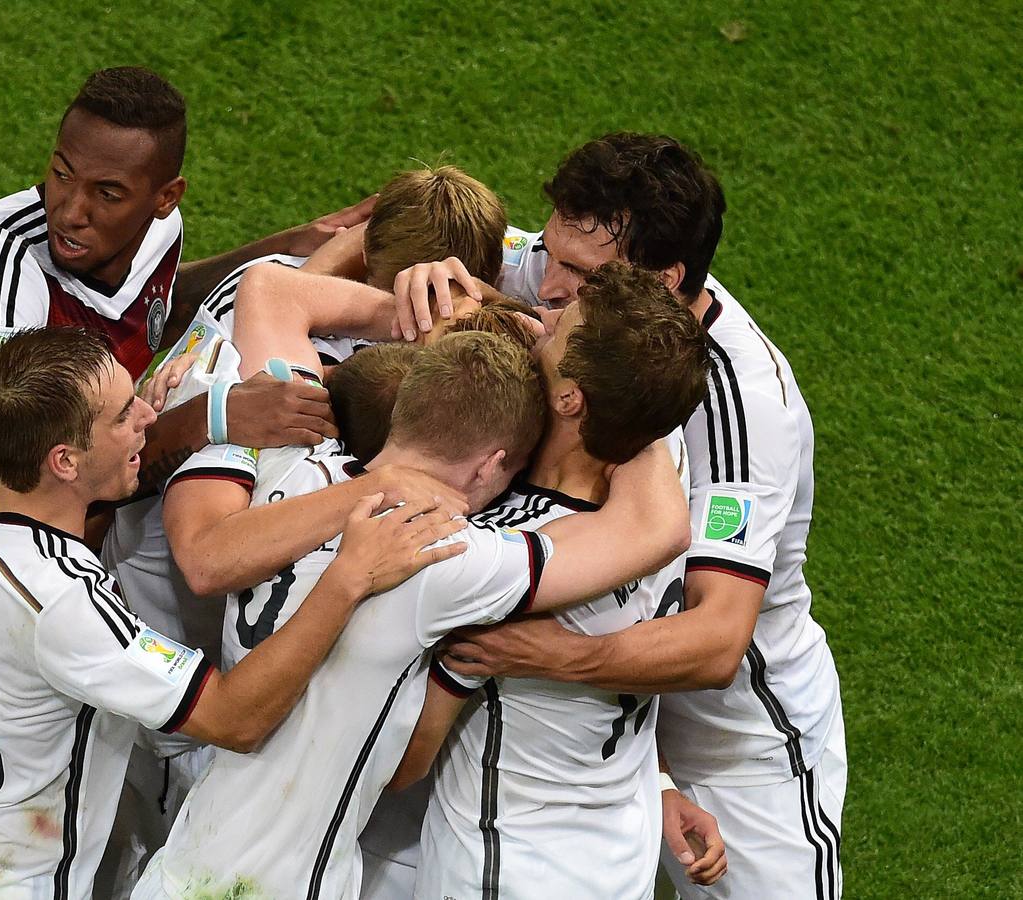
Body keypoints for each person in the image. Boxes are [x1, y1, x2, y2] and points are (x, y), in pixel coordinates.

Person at [0, 65, 368, 900]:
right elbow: (52, 456)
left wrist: (277, 253)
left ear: (164, 198)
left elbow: (147, 310)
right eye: (59, 174)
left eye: (107, 193)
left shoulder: (153, 233)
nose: (70, 209)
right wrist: (221, 416)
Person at [0, 326, 463, 899]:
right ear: (65, 462)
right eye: (124, 415)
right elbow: (235, 718)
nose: (148, 417)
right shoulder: (67, 604)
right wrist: (347, 577)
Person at [133, 329, 692, 900]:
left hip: (187, 858)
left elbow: (271, 292)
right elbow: (653, 532)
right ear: (489, 465)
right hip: (279, 883)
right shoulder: (436, 555)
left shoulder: (288, 459)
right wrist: (638, 421)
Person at [431, 133, 846, 898]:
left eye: (579, 275)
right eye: (549, 249)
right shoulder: (557, 275)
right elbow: (390, 236)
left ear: (663, 279)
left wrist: (545, 655)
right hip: (607, 728)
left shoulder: (742, 410)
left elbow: (716, 639)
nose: (545, 286)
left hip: (732, 741)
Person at [93, 164, 504, 892]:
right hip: (170, 684)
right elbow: (202, 554)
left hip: (269, 690)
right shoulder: (251, 366)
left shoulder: (290, 322)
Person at [386, 262, 721, 898]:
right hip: (620, 859)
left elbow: (403, 765)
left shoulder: (500, 556)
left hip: (502, 866)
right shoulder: (656, 487)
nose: (541, 319)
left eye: (559, 326)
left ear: (572, 400)